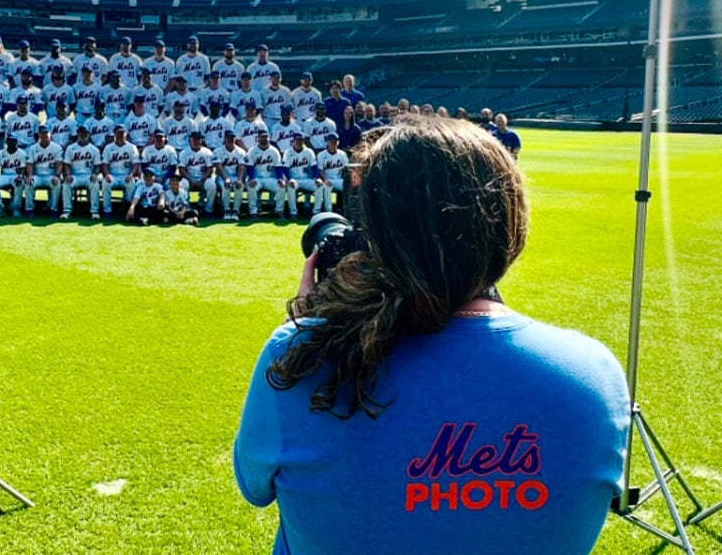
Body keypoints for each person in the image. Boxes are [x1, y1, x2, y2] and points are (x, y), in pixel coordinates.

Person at [234, 118, 629, 555]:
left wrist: (315, 330)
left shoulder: (298, 354)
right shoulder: (592, 373)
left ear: (376, 238)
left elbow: (255, 486)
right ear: (509, 227)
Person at [61, 127, 102, 220]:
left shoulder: (94, 149)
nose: (83, 135)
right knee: (67, 184)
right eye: (81, 133)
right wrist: (68, 175)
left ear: (89, 134)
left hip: (88, 176)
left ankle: (94, 211)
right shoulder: (71, 148)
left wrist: (95, 174)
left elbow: (97, 166)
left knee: (95, 184)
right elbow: (66, 164)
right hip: (75, 176)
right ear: (77, 134)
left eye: (85, 133)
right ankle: (67, 211)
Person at [100, 124, 141, 218]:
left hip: (126, 175)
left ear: (126, 134)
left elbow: (135, 164)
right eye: (118, 133)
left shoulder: (132, 147)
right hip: (113, 175)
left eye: (122, 132)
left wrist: (131, 174)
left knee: (131, 183)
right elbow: (105, 164)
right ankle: (107, 211)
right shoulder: (108, 147)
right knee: (105, 183)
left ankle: (127, 209)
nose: (120, 134)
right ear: (114, 133)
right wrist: (107, 175)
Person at [25, 126, 64, 216]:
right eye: (42, 133)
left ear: (50, 134)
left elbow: (59, 164)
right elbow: (30, 164)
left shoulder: (56, 147)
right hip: (37, 176)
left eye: (46, 133)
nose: (44, 135)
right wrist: (30, 175)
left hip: (51, 175)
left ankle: (53, 209)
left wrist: (57, 176)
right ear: (39, 134)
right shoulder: (33, 148)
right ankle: (29, 209)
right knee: (28, 183)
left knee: (57, 183)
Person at [245, 131, 284, 218]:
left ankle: (279, 211)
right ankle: (253, 212)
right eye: (262, 137)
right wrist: (252, 178)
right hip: (256, 178)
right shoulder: (252, 151)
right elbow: (249, 167)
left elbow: (278, 167)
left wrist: (280, 178)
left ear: (269, 138)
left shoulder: (274, 151)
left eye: (266, 137)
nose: (264, 139)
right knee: (251, 186)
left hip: (269, 178)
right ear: (258, 138)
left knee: (281, 186)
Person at [178, 131, 217, 217]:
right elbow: (181, 169)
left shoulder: (207, 152)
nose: (196, 141)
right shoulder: (184, 152)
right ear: (190, 140)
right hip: (189, 179)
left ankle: (208, 209)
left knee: (212, 185)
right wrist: (191, 180)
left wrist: (202, 180)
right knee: (182, 184)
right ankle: (187, 208)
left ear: (201, 140)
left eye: (198, 139)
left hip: (203, 178)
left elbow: (210, 168)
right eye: (194, 139)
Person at [279, 132, 317, 218]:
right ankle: (293, 212)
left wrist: (315, 178)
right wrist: (289, 179)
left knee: (320, 185)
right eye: (297, 140)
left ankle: (316, 211)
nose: (299, 142)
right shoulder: (288, 152)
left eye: (301, 140)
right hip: (294, 180)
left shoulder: (309, 151)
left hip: (307, 180)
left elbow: (314, 166)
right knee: (290, 186)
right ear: (293, 141)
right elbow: (285, 168)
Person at [214, 129, 248, 221]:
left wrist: (240, 180)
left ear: (235, 139)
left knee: (239, 186)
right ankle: (227, 210)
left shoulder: (241, 151)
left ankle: (236, 210)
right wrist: (225, 179)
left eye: (232, 138)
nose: (230, 140)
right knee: (226, 186)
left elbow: (242, 167)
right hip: (221, 177)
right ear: (225, 139)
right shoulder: (218, 151)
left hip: (235, 176)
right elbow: (218, 167)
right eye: (228, 138)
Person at [0, 135, 30, 217]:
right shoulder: (0, 153)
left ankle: (15, 208)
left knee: (19, 183)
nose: (11, 143)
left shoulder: (22, 153)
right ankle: (0, 207)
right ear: (6, 142)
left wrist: (20, 176)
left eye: (13, 141)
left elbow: (23, 168)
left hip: (16, 175)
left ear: (16, 142)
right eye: (9, 141)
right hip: (5, 175)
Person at [312, 132, 349, 214]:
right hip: (327, 180)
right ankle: (328, 210)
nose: (333, 143)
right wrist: (325, 180)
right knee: (327, 186)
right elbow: (321, 170)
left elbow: (346, 169)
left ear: (338, 142)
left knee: (349, 185)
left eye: (335, 141)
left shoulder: (342, 154)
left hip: (339, 180)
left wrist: (347, 179)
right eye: (331, 141)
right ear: (327, 142)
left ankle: (347, 210)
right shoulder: (321, 155)